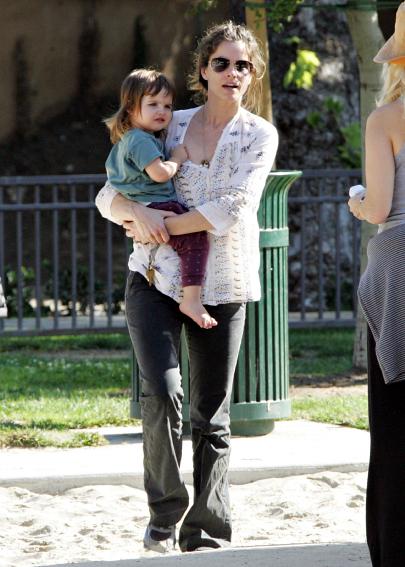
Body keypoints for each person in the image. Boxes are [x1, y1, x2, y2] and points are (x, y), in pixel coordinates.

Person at [96, 20, 278, 553]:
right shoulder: (164, 123)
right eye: (221, 62)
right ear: (202, 70)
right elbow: (109, 192)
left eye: (243, 64)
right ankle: (164, 515)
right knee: (163, 394)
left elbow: (234, 207)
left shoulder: (258, 135)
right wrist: (132, 211)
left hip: (224, 283)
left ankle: (208, 529)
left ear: (252, 75)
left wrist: (164, 224)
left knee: (212, 414)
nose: (232, 72)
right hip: (153, 278)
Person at [348, 3, 405, 565]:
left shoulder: (387, 118)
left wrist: (357, 201)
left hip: (400, 268)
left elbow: (382, 205)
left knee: (394, 421)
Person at [103, 69, 217, 329]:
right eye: (152, 104)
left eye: (167, 105)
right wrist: (177, 157)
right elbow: (159, 173)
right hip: (157, 204)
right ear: (131, 108)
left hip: (143, 205)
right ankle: (192, 299)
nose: (162, 111)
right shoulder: (141, 140)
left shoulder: (127, 140)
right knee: (195, 240)